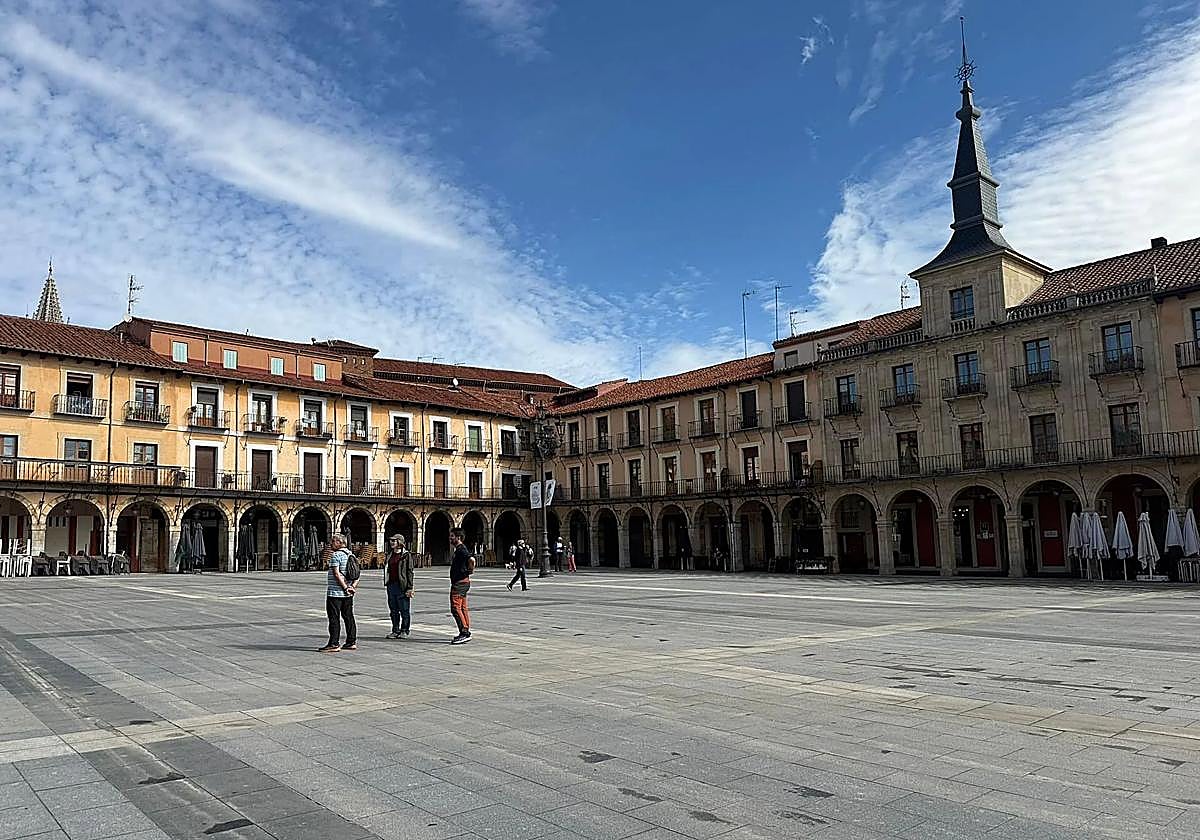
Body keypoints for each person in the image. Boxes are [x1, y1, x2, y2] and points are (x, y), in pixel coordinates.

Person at [319, 534, 357, 652]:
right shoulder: (351, 555)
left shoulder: (335, 555)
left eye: (333, 541)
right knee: (349, 617)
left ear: (340, 543)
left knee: (334, 618)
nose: (331, 543)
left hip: (335, 593)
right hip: (348, 594)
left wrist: (345, 587)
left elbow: (336, 574)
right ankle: (351, 642)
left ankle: (334, 643)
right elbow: (357, 574)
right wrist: (352, 587)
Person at [384, 534, 414, 639]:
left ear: (400, 542)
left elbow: (410, 572)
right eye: (391, 540)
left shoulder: (406, 555)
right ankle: (395, 630)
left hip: (402, 586)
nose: (391, 542)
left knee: (404, 609)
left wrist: (410, 587)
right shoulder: (390, 554)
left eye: (394, 541)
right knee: (393, 610)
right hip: (391, 585)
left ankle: (404, 630)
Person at [448, 527, 474, 644]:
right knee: (462, 607)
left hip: (460, 583)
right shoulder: (459, 549)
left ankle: (464, 633)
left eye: (452, 536)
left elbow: (471, 559)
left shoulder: (461, 550)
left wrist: (470, 570)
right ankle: (465, 629)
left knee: (455, 608)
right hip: (462, 582)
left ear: (458, 537)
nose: (450, 538)